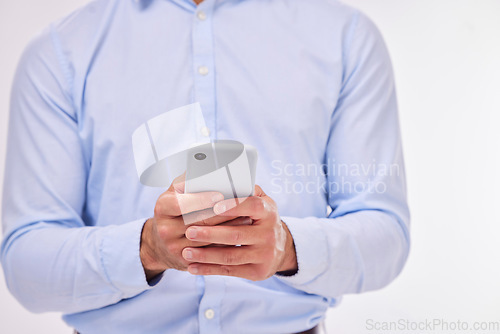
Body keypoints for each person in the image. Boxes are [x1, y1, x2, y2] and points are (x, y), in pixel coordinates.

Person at [1, 0, 410, 333]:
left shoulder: (346, 37)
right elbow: (25, 262)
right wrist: (146, 249)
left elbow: (385, 232)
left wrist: (286, 247)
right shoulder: (60, 52)